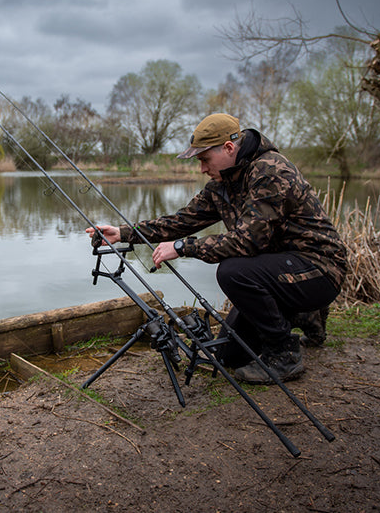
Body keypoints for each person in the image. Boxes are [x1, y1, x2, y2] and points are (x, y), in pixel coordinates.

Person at [86, 113, 347, 384]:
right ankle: (306, 315)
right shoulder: (224, 183)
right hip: (280, 271)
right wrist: (124, 233)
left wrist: (183, 247)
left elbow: (248, 241)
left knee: (233, 272)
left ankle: (284, 355)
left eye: (204, 159)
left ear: (229, 148)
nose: (201, 169)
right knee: (228, 356)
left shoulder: (270, 171)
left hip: (319, 270)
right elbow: (181, 221)